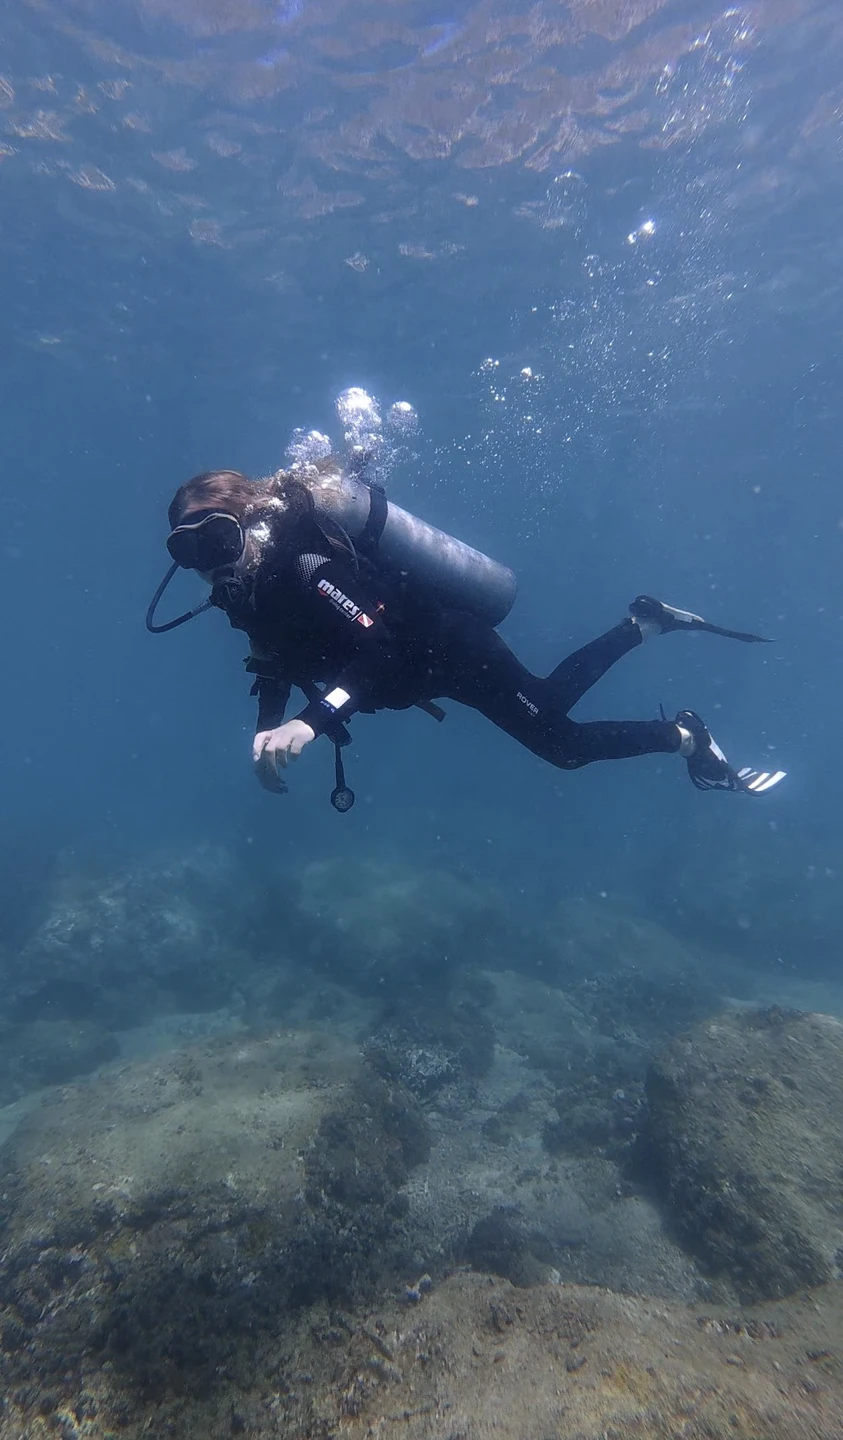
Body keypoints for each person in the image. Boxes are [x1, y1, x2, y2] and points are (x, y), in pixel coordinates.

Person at [147, 463, 786, 809]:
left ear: (251, 524)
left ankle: (687, 735)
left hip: (453, 651)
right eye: (189, 548)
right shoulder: (244, 592)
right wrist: (269, 725)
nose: (210, 561)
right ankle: (644, 623)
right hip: (418, 670)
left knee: (561, 743)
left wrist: (310, 723)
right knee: (551, 702)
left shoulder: (305, 565)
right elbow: (273, 658)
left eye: (219, 538)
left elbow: (380, 650)